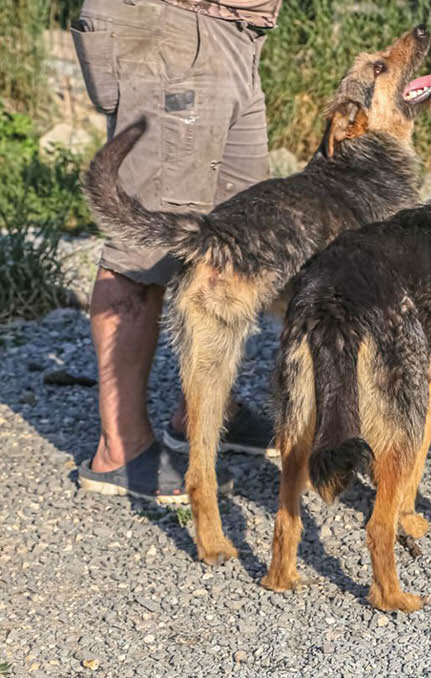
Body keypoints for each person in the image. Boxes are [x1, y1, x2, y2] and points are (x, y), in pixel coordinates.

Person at [72, 0, 280, 501]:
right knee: (144, 245)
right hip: (172, 27)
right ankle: (119, 448)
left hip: (235, 34)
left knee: (238, 244)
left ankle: (204, 412)